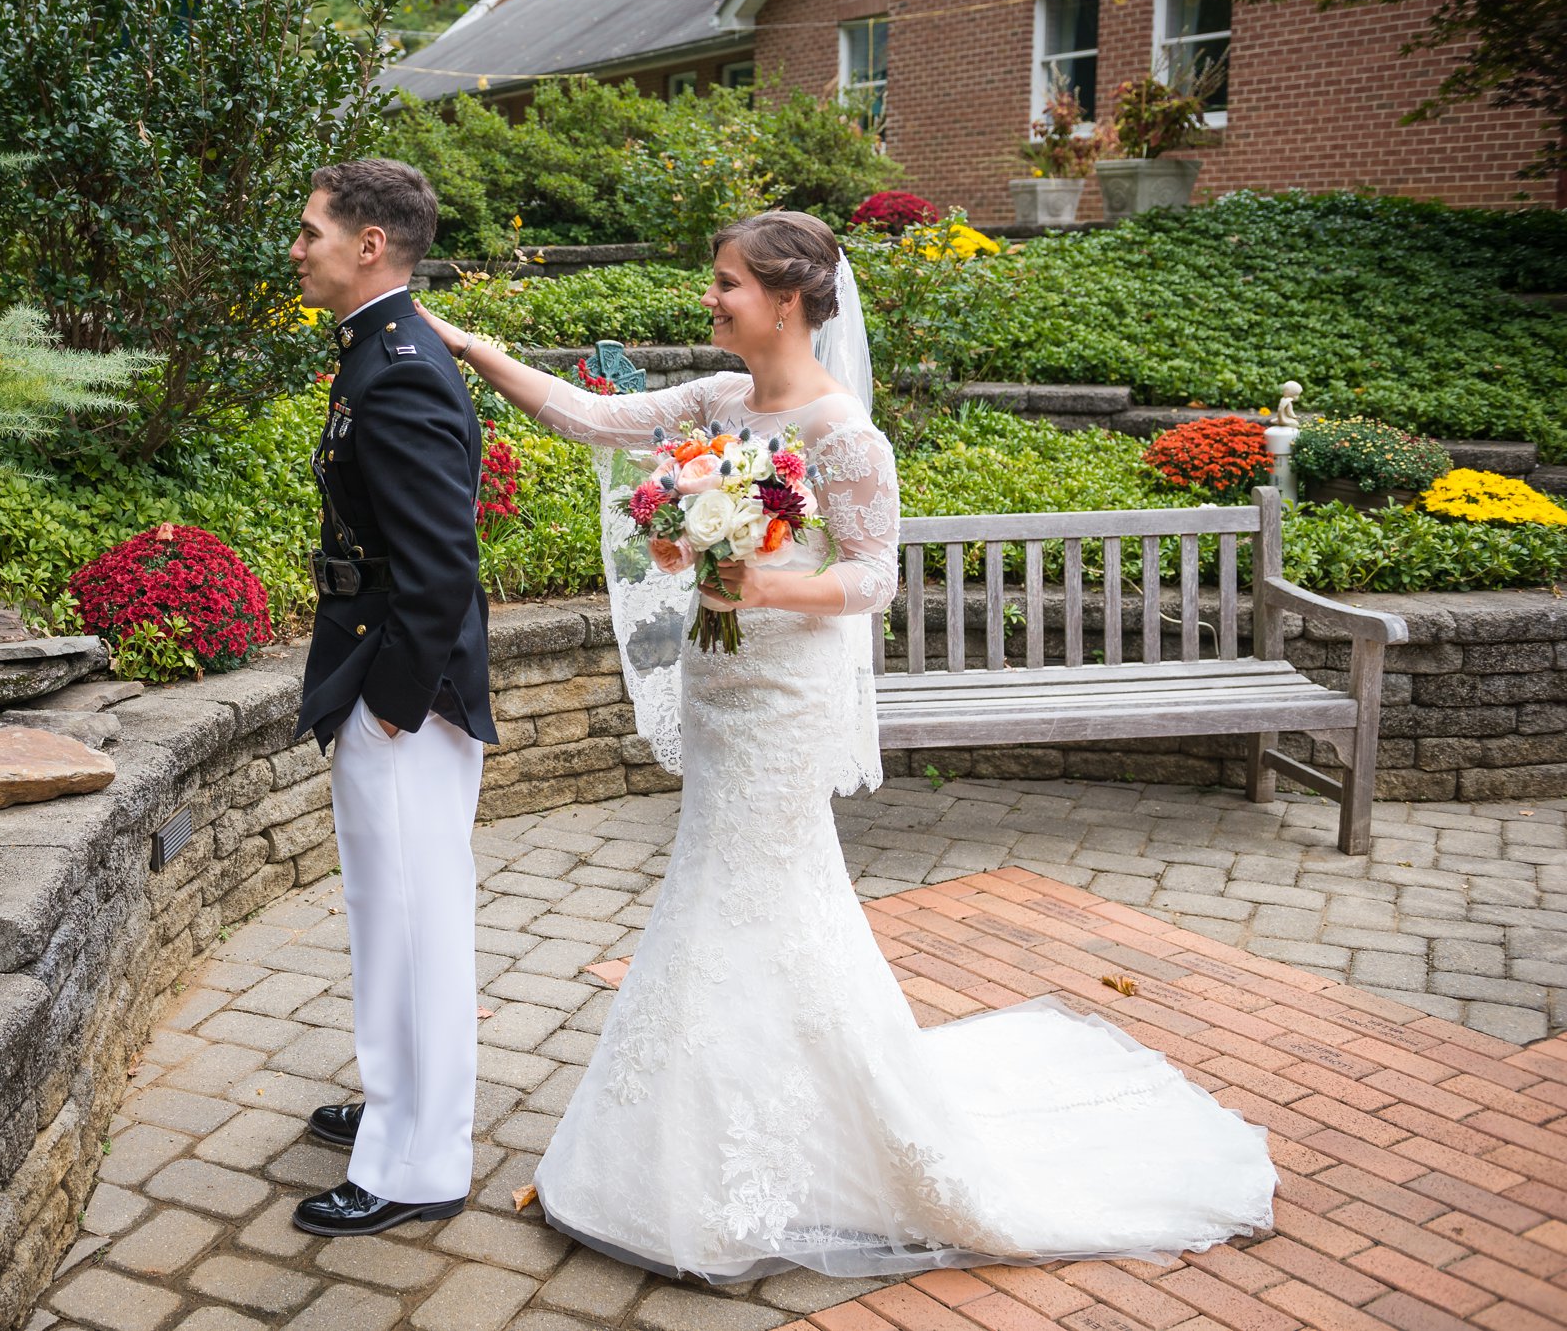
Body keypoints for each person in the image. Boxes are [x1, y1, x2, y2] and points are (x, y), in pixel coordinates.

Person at [417, 209, 1277, 1282]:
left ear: (785, 301)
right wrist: (471, 344)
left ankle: (722, 1153)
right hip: (720, 685)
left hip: (784, 699)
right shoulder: (719, 399)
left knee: (738, 892)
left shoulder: (843, 432)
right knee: (742, 894)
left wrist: (759, 582)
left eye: (725, 282)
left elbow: (874, 576)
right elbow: (591, 416)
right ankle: (729, 1124)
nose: (708, 298)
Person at [288, 158, 497, 1237]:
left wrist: (393, 707)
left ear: (370, 244)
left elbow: (440, 566)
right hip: (375, 668)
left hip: (401, 687)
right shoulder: (379, 348)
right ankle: (393, 1101)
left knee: (417, 925)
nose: (297, 248)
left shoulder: (400, 368)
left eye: (311, 230)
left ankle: (419, 1162)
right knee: (388, 913)